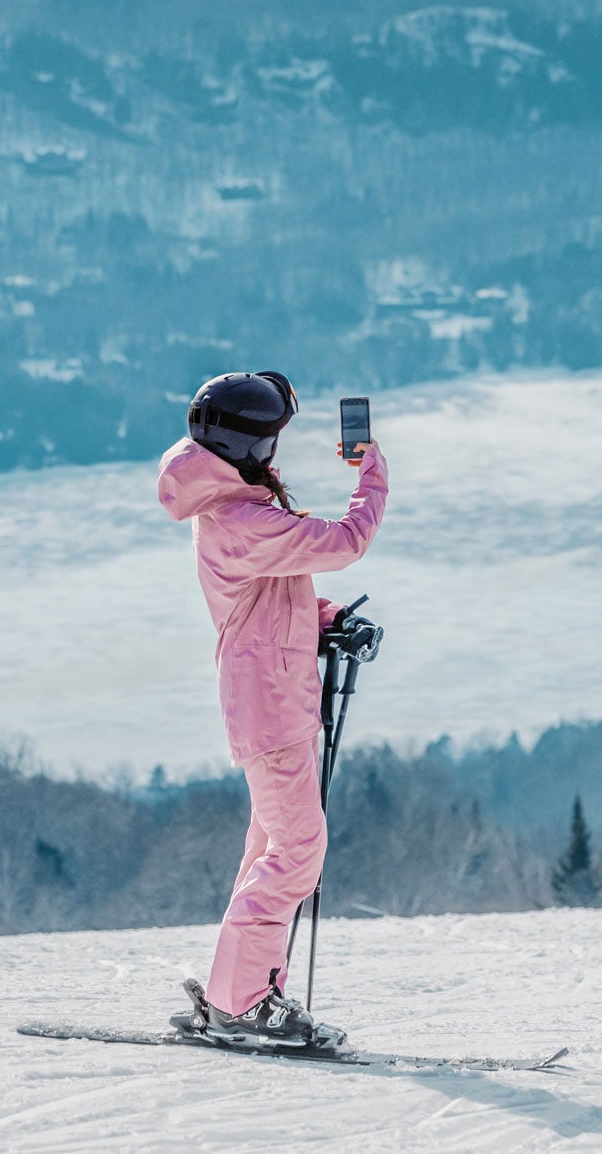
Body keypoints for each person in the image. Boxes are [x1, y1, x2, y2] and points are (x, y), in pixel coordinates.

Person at [154, 370, 388, 1048]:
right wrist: (372, 470)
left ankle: (240, 992)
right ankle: (241, 1004)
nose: (275, 453)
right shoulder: (243, 518)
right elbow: (347, 541)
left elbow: (266, 601)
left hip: (271, 691)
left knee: (271, 846)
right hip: (270, 703)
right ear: (246, 446)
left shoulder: (228, 507)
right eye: (271, 440)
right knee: (296, 850)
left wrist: (328, 618)